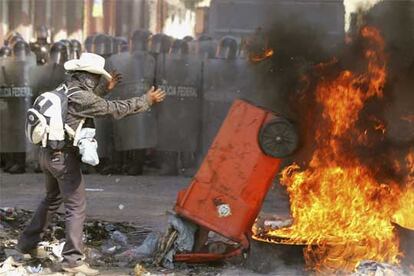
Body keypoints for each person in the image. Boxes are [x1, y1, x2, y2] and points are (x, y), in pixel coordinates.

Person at [16, 53, 166, 275]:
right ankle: (73, 261)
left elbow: (85, 103)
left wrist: (106, 88)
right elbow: (113, 109)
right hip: (63, 158)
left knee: (51, 199)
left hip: (47, 154)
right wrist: (146, 101)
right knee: (76, 207)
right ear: (87, 77)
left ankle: (25, 245)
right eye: (96, 79)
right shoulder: (82, 98)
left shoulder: (66, 88)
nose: (96, 83)